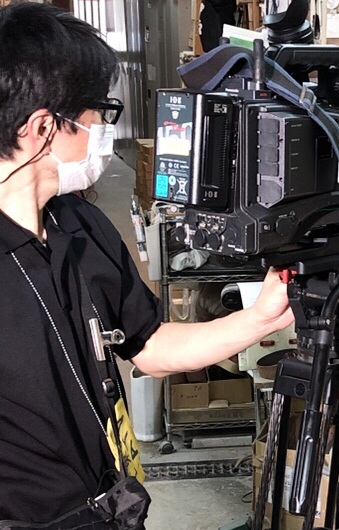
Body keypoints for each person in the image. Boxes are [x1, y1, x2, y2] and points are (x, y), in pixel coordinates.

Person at [0, 3, 293, 527]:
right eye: (97, 112)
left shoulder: (80, 225)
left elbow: (150, 346)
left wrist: (259, 319)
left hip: (109, 504)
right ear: (43, 127)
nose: (102, 128)